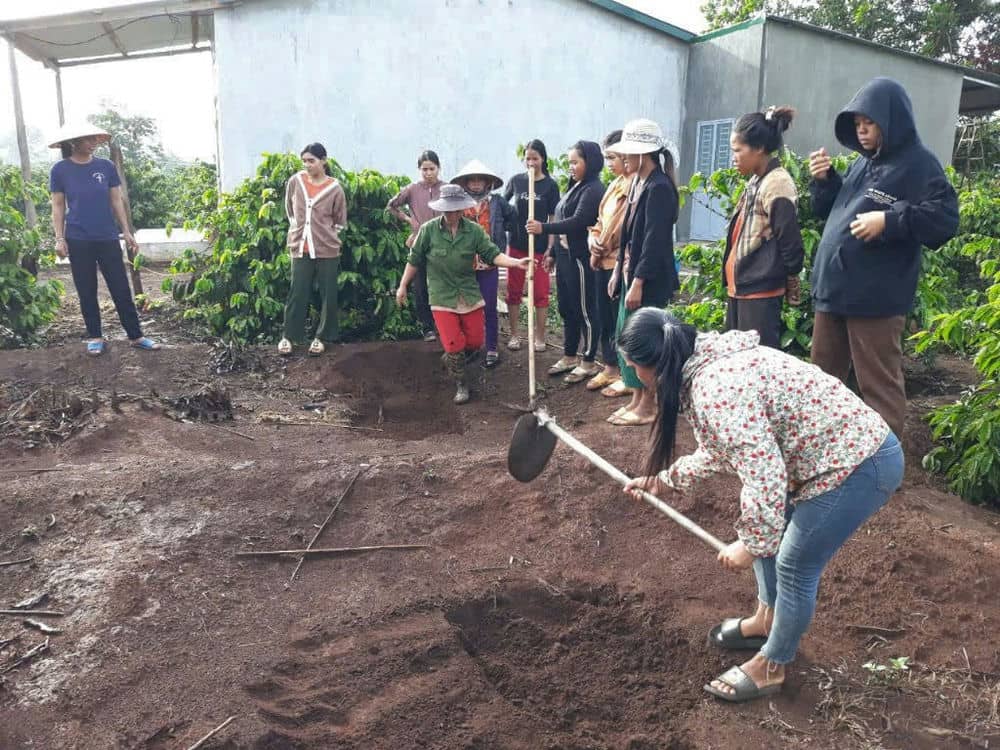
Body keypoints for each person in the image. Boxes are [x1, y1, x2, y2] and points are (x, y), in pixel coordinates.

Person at [619, 308, 903, 704]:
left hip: (857, 463)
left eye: (633, 367)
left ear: (656, 364)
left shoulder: (717, 390)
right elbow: (722, 450)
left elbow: (764, 476)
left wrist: (750, 544)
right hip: (822, 457)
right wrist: (664, 482)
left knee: (793, 563)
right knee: (769, 533)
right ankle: (766, 619)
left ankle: (774, 663)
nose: (634, 375)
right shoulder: (705, 363)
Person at [809, 77, 959, 438]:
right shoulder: (863, 164)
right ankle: (823, 450)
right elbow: (831, 211)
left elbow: (944, 220)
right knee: (820, 381)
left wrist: (890, 222)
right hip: (835, 290)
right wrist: (827, 181)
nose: (861, 132)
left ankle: (884, 466)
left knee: (878, 384)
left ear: (892, 121)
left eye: (869, 124)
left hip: (875, 299)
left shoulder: (918, 165)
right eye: (857, 125)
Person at [395, 185, 530, 404]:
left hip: (468, 292)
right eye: (447, 210)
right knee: (452, 342)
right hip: (441, 295)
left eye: (455, 210)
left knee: (476, 340)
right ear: (441, 209)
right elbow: (414, 260)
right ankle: (461, 383)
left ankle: (452, 358)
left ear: (462, 210)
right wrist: (402, 286)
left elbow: (492, 254)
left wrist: (516, 263)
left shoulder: (474, 231)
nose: (451, 214)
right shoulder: (428, 231)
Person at [48, 123, 159, 356]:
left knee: (120, 287)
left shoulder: (106, 167)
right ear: (74, 142)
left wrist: (126, 231)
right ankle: (95, 336)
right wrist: (59, 238)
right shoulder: (60, 170)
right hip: (77, 238)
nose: (94, 142)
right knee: (86, 289)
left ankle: (136, 335)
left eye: (95, 139)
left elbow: (116, 201)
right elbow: (58, 206)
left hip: (107, 236)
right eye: (88, 139)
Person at [607, 119, 680, 426]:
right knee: (628, 336)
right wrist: (617, 275)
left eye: (628, 154)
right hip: (629, 272)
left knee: (645, 340)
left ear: (645, 154)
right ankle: (637, 398)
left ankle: (648, 404)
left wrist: (638, 281)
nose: (623, 159)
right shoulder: (638, 181)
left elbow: (654, 240)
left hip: (648, 278)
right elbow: (628, 233)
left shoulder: (660, 187)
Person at [724, 106, 804, 349]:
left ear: (758, 148)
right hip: (742, 288)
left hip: (759, 291)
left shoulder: (777, 184)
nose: (734, 157)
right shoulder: (756, 181)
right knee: (736, 360)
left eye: (738, 150)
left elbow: (789, 239)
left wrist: (791, 278)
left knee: (756, 363)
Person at [527, 140, 604, 384]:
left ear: (589, 163)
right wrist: (551, 253)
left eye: (575, 162)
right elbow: (562, 214)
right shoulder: (575, 185)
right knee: (566, 308)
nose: (570, 167)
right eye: (570, 162)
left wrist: (543, 227)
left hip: (580, 257)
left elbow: (578, 221)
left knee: (585, 310)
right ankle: (570, 355)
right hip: (563, 255)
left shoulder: (593, 189)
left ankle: (589, 361)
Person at [278, 143, 348, 357]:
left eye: (312, 160)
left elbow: (339, 220)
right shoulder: (295, 181)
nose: (307, 165)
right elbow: (290, 209)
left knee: (328, 293)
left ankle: (323, 337)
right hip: (300, 246)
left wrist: (325, 235)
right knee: (297, 291)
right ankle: (290, 336)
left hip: (327, 249)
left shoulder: (335, 188)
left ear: (323, 161)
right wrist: (297, 229)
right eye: (305, 161)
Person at [451, 160, 514, 368]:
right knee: (467, 308)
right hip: (465, 265)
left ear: (488, 183)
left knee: (489, 306)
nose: (476, 184)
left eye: (480, 180)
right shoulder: (459, 204)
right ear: (466, 183)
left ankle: (492, 348)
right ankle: (471, 346)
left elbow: (513, 218)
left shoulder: (496, 202)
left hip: (489, 264)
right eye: (472, 180)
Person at [503, 140, 560, 353]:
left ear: (543, 159)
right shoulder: (516, 181)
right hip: (517, 246)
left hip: (540, 247)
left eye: (535, 158)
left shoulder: (550, 186)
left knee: (541, 293)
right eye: (527, 158)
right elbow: (502, 205)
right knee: (513, 291)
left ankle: (539, 336)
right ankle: (515, 335)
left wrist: (550, 248)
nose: (531, 162)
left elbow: (554, 219)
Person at [585, 130, 630, 393]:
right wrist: (593, 241)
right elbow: (601, 222)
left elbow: (618, 227)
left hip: (616, 262)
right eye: (607, 157)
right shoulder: (613, 186)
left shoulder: (633, 186)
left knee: (619, 319)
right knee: (603, 316)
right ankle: (610, 367)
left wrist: (599, 246)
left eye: (613, 157)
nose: (609, 163)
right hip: (601, 259)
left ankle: (626, 372)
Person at [388, 150, 445, 342]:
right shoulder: (412, 189)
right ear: (419, 170)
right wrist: (408, 219)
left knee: (441, 284)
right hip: (420, 242)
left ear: (438, 168)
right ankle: (427, 327)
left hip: (443, 243)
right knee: (420, 286)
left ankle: (443, 325)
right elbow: (392, 205)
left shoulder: (446, 188)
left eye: (432, 168)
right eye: (424, 169)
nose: (428, 173)